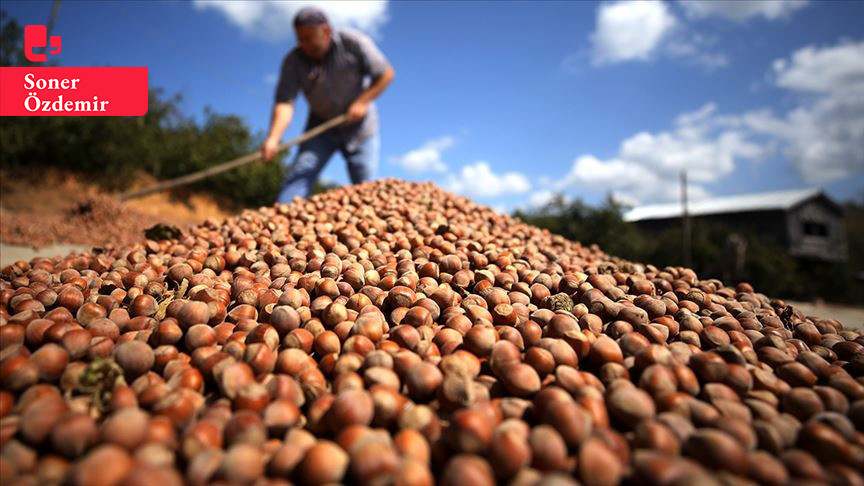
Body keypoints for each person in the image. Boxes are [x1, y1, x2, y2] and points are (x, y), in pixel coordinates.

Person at [260, 6, 395, 203]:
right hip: (321, 125)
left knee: (365, 188)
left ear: (326, 31)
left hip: (360, 126)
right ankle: (281, 215)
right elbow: (285, 103)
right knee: (299, 175)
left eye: (309, 39)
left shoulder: (354, 42)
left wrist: (362, 102)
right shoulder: (293, 62)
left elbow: (385, 74)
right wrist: (273, 138)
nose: (303, 44)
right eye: (300, 39)